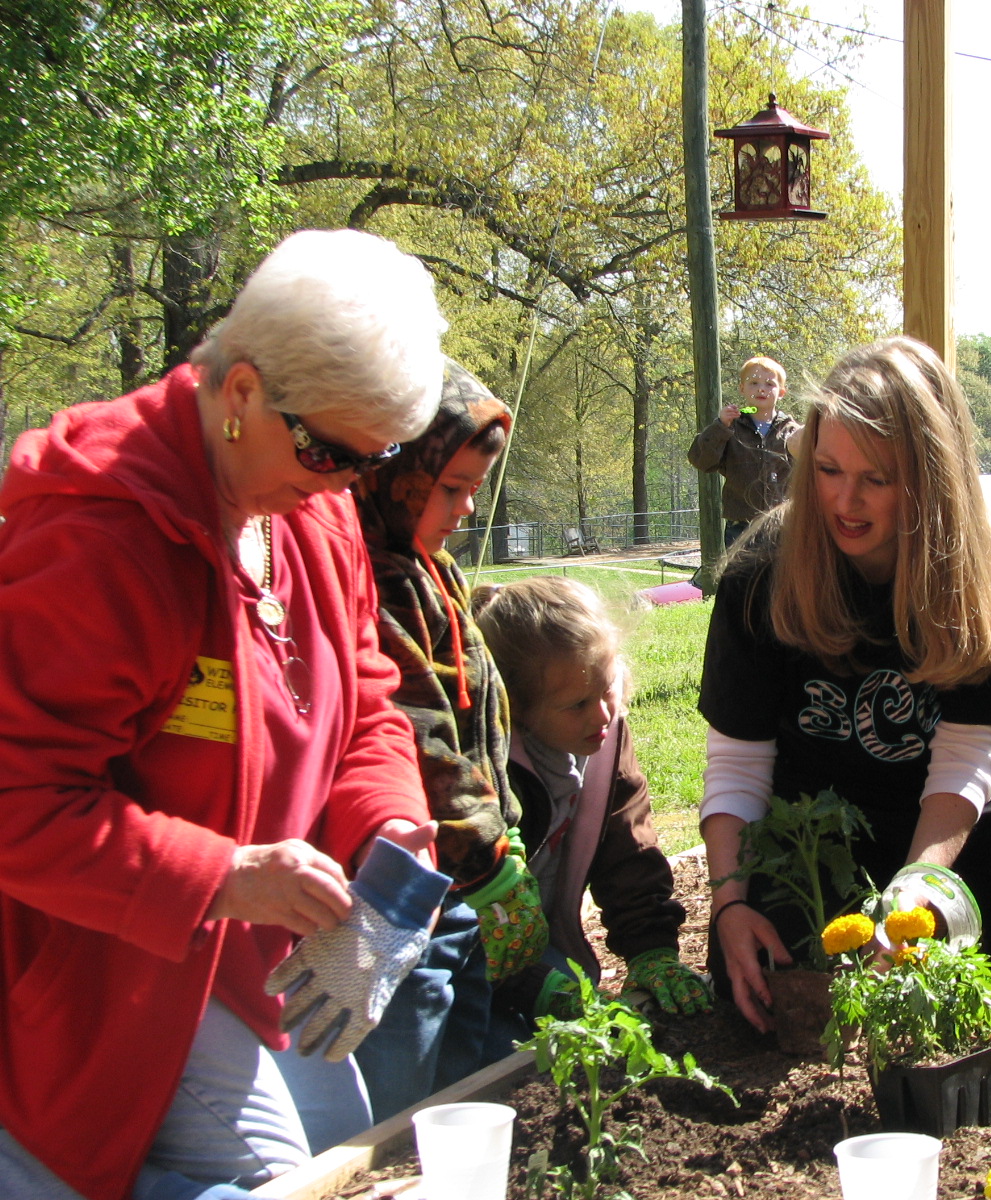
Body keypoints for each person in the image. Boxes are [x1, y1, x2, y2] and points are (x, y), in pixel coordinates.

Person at [0, 229, 450, 1200]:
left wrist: (394, 835)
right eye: (331, 451)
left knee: (342, 1156)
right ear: (240, 391)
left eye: (372, 461)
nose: (344, 486)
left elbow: (366, 696)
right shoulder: (102, 540)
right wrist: (224, 875)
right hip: (102, 984)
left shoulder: (298, 495)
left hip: (240, 961)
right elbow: (18, 802)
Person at [697, 336, 991, 1033]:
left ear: (933, 475)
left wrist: (921, 885)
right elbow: (738, 762)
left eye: (876, 478)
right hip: (820, 808)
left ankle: (989, 906)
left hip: (975, 790)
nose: (845, 501)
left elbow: (964, 761)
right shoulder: (763, 571)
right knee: (754, 969)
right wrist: (728, 903)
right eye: (828, 470)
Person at [352, 360, 547, 1121]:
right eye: (451, 488)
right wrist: (480, 846)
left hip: (468, 873)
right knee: (414, 1043)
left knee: (469, 1049)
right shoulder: (375, 582)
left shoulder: (436, 572)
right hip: (411, 880)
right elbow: (419, 728)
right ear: (396, 473)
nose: (466, 507)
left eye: (474, 489)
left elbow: (477, 714)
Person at [473, 578, 711, 1019]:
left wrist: (650, 950)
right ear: (518, 707)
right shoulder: (490, 768)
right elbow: (485, 917)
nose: (602, 714)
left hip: (551, 954)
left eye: (607, 688)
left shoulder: (605, 736)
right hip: (478, 966)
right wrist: (536, 986)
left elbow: (628, 847)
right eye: (577, 704)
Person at [687, 355, 800, 547]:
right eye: (753, 383)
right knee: (740, 577)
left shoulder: (792, 431)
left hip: (783, 524)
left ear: (781, 392)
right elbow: (701, 460)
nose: (761, 389)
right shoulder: (731, 427)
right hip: (740, 526)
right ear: (742, 389)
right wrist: (720, 426)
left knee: (780, 577)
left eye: (769, 384)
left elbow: (812, 473)